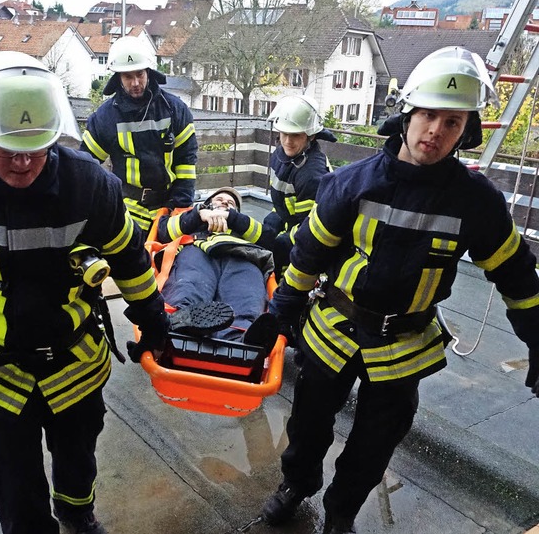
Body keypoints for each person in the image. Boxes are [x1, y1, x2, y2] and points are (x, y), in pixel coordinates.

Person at [261, 46, 539, 534]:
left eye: (452, 122)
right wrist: (282, 307)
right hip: (335, 326)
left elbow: (516, 276)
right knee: (306, 425)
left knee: (374, 444)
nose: (436, 130)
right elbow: (310, 251)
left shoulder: (478, 204)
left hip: (405, 342)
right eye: (429, 114)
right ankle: (296, 485)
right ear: (407, 114)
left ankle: (340, 514)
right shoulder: (351, 184)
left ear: (466, 131)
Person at [0, 51, 170, 534]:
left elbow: (130, 258)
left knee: (78, 459)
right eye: (7, 148)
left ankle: (76, 513)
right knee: (14, 490)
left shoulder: (91, 186)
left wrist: (154, 323)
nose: (23, 162)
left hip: (76, 363)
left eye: (37, 147)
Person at [80, 36, 198, 235]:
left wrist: (182, 205)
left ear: (149, 72)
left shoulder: (175, 109)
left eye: (140, 74)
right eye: (128, 76)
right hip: (126, 211)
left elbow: (186, 160)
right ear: (118, 77)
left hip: (169, 208)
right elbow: (86, 165)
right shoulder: (105, 117)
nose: (135, 82)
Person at [155, 187, 280, 352]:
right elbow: (163, 231)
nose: (225, 203)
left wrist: (233, 218)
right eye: (219, 199)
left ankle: (242, 337)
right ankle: (180, 322)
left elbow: (269, 239)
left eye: (231, 203)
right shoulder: (193, 218)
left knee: (246, 295)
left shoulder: (244, 225)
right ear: (208, 203)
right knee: (190, 284)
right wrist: (199, 214)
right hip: (198, 250)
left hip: (242, 256)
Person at [265, 94, 335, 279]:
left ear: (310, 136)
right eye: (284, 133)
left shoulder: (311, 174)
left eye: (295, 135)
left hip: (311, 229)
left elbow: (310, 227)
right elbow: (281, 196)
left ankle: (282, 285)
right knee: (269, 225)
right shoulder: (282, 154)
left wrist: (285, 239)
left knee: (281, 245)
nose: (288, 141)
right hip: (290, 218)